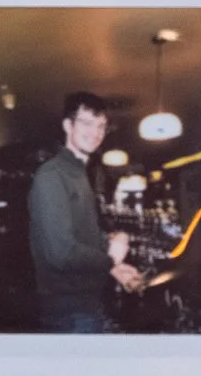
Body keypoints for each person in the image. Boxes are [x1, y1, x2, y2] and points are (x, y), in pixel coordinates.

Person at [27, 92, 143, 332]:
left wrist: (113, 268)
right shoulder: (52, 176)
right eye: (87, 123)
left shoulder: (80, 173)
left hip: (87, 303)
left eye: (101, 125)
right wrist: (111, 258)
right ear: (68, 125)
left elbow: (82, 237)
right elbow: (62, 254)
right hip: (69, 311)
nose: (96, 132)